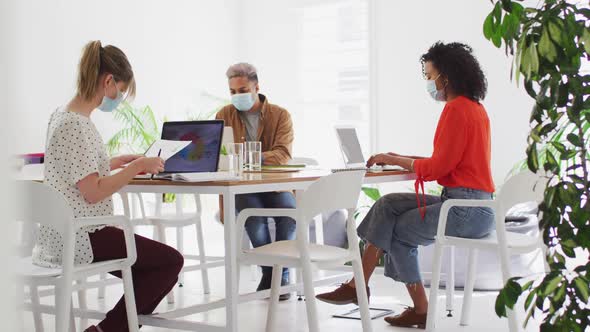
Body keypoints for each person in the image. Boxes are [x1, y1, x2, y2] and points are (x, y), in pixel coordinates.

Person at [316, 42, 495, 329]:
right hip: (474, 204)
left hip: (464, 210)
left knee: (398, 231)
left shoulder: (456, 110)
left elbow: (437, 169)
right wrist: (397, 158)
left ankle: (418, 308)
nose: (428, 83)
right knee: (388, 204)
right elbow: (447, 161)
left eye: (429, 76)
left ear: (445, 77)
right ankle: (357, 285)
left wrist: (396, 159)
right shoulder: (475, 108)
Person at [34, 40, 184, 332]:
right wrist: (137, 167)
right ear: (108, 81)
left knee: (151, 267)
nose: (119, 99)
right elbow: (93, 192)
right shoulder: (76, 125)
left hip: (62, 234)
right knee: (169, 263)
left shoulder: (63, 116)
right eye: (122, 91)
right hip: (82, 235)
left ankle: (108, 329)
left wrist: (116, 162)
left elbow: (77, 171)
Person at [216, 63, 295, 300]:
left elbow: (283, 154)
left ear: (256, 87)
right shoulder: (224, 115)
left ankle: (281, 272)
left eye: (242, 90)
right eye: (232, 92)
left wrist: (250, 156)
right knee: (254, 216)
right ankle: (272, 272)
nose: (236, 96)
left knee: (289, 212)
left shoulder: (280, 115)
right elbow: (218, 154)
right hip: (242, 186)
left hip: (275, 183)